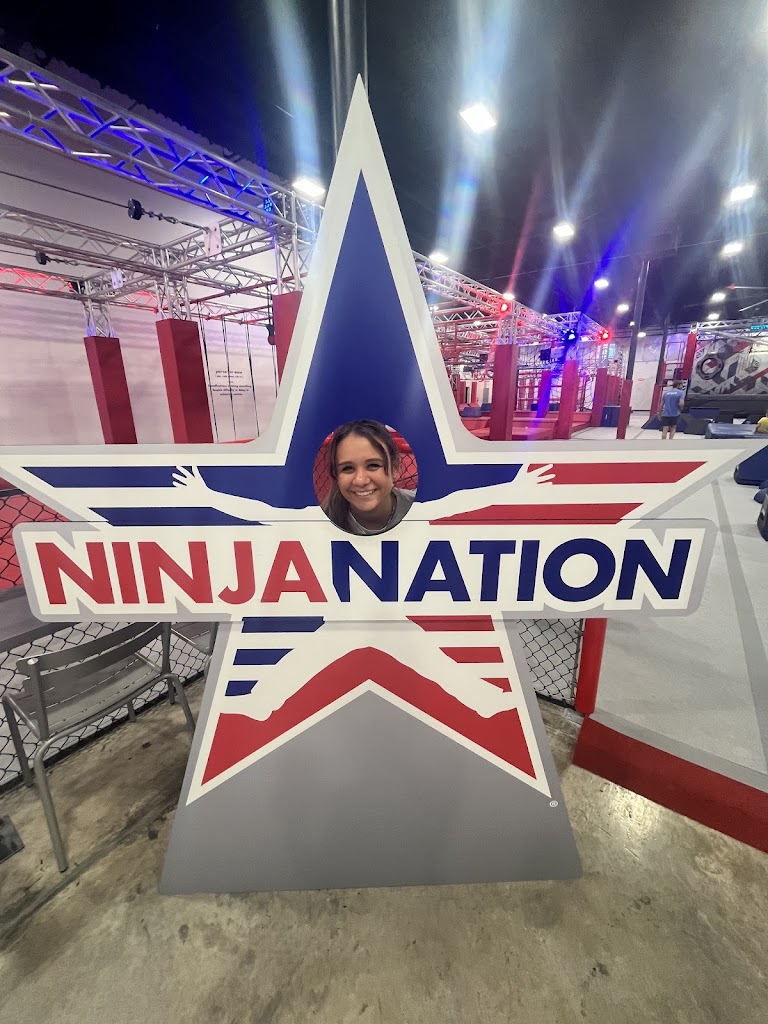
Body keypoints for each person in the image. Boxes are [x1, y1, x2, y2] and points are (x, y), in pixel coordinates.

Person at [323, 419, 414, 535]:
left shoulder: (424, 510)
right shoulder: (319, 523)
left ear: (394, 468)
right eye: (347, 468)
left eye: (373, 465)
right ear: (336, 474)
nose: (360, 480)